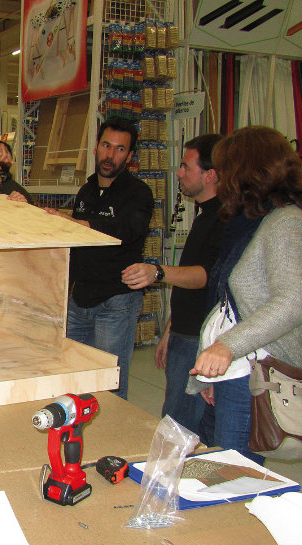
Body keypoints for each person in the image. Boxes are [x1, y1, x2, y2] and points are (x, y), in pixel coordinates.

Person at [188, 126, 302, 464]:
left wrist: (228, 347)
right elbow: (228, 303)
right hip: (235, 370)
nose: (222, 178)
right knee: (218, 463)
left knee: (234, 473)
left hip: (256, 371)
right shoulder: (249, 222)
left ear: (247, 171)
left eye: (227, 168)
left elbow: (293, 300)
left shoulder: (286, 223)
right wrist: (215, 368)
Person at [121, 134, 224, 431]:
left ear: (209, 174)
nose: (178, 173)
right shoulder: (205, 215)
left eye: (184, 166)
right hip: (185, 333)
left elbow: (206, 275)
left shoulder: (223, 218)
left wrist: (157, 272)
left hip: (200, 339)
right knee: (179, 416)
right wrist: (170, 329)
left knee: (179, 427)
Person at [46, 117, 153, 399]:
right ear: (95, 148)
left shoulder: (138, 193)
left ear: (129, 157)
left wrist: (79, 224)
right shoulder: (87, 190)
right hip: (80, 300)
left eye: (120, 149)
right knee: (72, 373)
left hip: (115, 302)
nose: (110, 155)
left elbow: (127, 230)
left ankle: (113, 437)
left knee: (109, 380)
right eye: (106, 145)